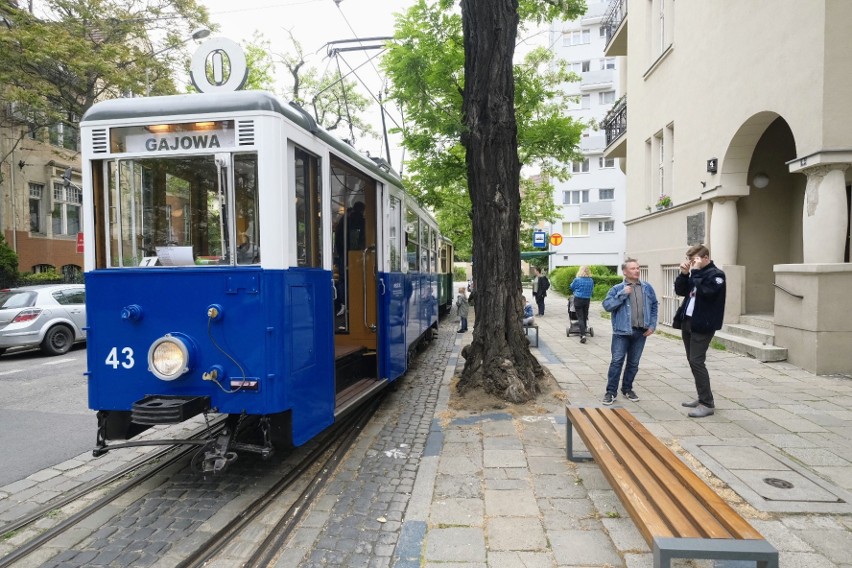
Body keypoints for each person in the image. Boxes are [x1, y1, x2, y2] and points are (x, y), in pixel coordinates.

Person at [673, 244, 726, 418]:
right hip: (688, 321)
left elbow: (707, 292)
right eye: (690, 259)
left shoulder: (716, 275)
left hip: (704, 324)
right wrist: (683, 274)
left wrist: (694, 273)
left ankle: (707, 404)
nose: (691, 262)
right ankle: (702, 397)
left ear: (705, 258)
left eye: (694, 259)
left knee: (697, 361)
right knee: (692, 360)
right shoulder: (697, 273)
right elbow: (681, 291)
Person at [601, 258, 658, 405]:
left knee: (633, 363)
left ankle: (627, 389)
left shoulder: (647, 288)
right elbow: (607, 306)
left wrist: (652, 325)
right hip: (621, 332)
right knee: (617, 361)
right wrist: (622, 294)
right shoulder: (616, 288)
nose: (637, 270)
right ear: (625, 272)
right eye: (633, 268)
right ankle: (610, 392)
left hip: (640, 332)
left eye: (638, 268)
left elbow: (654, 306)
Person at [334, 201, 366, 317]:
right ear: (362, 210)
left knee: (343, 279)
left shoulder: (344, 220)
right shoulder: (360, 221)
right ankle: (353, 303)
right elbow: (363, 239)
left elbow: (338, 238)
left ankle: (343, 303)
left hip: (342, 254)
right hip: (354, 255)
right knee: (355, 279)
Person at [569, 265, 594, 344]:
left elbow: (571, 287)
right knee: (585, 316)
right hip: (587, 299)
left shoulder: (577, 279)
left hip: (578, 299)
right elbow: (592, 289)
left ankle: (582, 335)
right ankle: (584, 331)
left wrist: (577, 290)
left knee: (580, 317)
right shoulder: (591, 280)